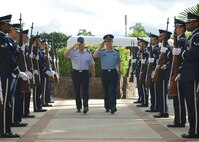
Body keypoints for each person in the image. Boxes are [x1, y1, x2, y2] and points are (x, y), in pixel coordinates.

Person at [173, 12, 199, 138]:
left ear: (196, 23)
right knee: (190, 103)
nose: (187, 24)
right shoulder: (192, 37)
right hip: (188, 73)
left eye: (189, 22)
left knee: (193, 103)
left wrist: (181, 53)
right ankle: (193, 129)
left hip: (193, 74)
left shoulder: (197, 36)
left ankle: (194, 131)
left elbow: (193, 55)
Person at [64, 37, 95, 114]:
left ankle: (85, 106)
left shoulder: (88, 53)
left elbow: (91, 65)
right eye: (79, 44)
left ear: (84, 44)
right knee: (77, 90)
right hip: (76, 73)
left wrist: (93, 75)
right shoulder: (73, 52)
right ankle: (78, 106)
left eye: (82, 43)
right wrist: (73, 46)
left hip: (85, 73)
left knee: (85, 91)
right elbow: (65, 54)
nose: (80, 45)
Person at [93, 34, 120, 114]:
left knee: (113, 90)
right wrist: (100, 46)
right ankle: (107, 106)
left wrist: (120, 72)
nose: (109, 43)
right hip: (105, 72)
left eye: (110, 41)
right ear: (105, 43)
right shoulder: (102, 52)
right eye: (107, 41)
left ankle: (113, 106)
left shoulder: (116, 52)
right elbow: (94, 55)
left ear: (112, 42)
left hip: (113, 72)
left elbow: (119, 62)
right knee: (106, 90)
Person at [167, 18, 187, 128]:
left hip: (179, 72)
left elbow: (182, 58)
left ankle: (180, 120)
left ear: (182, 28)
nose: (176, 29)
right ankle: (178, 119)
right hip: (175, 71)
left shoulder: (182, 40)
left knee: (178, 98)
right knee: (176, 98)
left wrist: (179, 70)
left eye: (177, 27)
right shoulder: (179, 40)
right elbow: (172, 57)